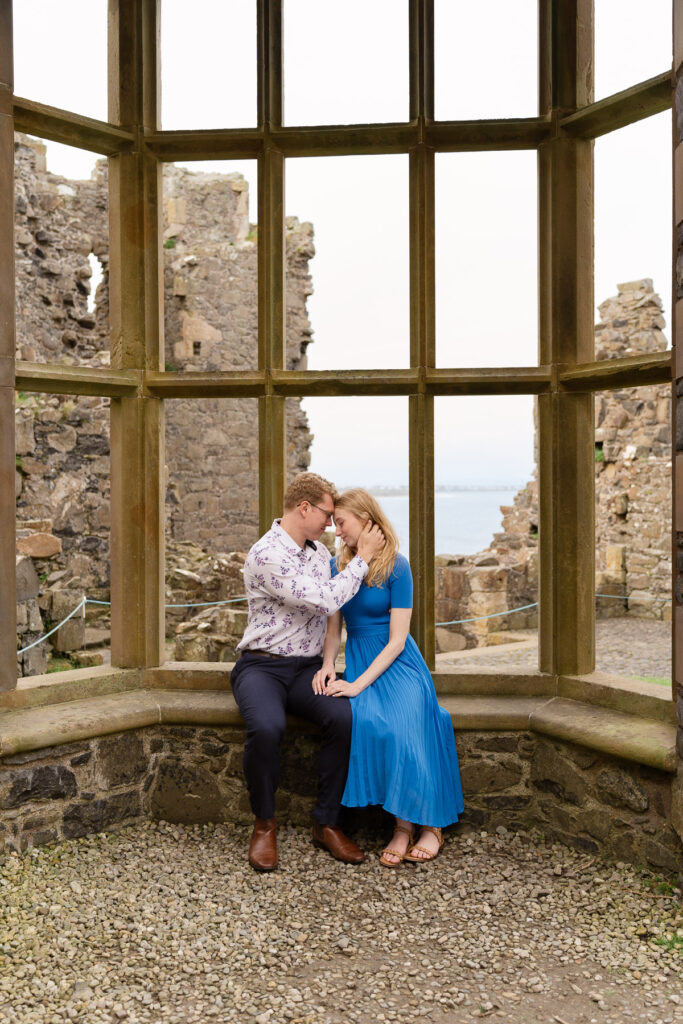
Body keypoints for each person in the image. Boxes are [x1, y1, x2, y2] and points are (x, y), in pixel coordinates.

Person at [231, 472, 385, 871]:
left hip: (307, 671)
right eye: (327, 514)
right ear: (304, 508)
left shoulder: (318, 553)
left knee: (341, 716)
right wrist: (364, 556)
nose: (331, 524)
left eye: (335, 518)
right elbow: (323, 599)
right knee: (266, 728)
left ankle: (327, 823)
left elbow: (333, 614)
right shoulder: (266, 554)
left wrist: (328, 663)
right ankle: (264, 824)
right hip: (261, 667)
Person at [312, 488, 464, 867]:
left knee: (404, 723)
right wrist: (329, 665)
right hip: (361, 659)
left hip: (399, 665)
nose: (337, 531)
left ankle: (427, 825)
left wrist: (359, 684)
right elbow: (334, 631)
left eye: (342, 523)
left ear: (366, 521)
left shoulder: (398, 566)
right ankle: (401, 825)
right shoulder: (337, 567)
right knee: (368, 721)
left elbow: (398, 640)